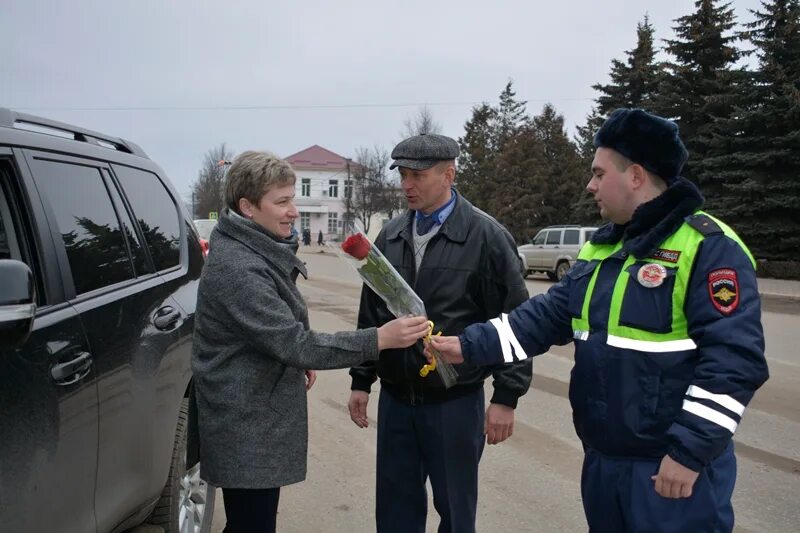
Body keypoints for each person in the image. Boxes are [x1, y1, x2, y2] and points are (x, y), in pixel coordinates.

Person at [428, 109, 769, 532]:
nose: (590, 185)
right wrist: (468, 345)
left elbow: (734, 362)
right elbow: (544, 317)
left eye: (598, 173)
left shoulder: (708, 247)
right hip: (605, 463)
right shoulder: (602, 250)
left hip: (671, 471)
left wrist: (689, 453)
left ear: (636, 176)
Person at [191, 150, 430, 533]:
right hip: (245, 423)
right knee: (251, 524)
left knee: (250, 522)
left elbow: (271, 336)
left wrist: (294, 359)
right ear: (247, 207)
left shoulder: (254, 248)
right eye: (282, 201)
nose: (293, 211)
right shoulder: (240, 268)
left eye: (293, 199)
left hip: (254, 416)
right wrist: (379, 339)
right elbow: (295, 343)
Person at [348, 133, 531, 533]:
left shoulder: (486, 237)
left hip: (455, 404)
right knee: (395, 511)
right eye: (402, 175)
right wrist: (362, 379)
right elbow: (371, 314)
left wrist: (506, 396)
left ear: (448, 174)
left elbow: (514, 321)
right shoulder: (392, 235)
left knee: (456, 511)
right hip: (397, 402)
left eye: (417, 175)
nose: (406, 185)